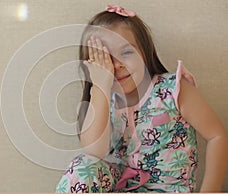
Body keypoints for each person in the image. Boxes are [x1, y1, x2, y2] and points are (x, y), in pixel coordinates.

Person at [56, 5, 227, 193]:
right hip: (122, 186)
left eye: (126, 53)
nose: (117, 65)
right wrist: (100, 87)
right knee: (82, 165)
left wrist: (210, 190)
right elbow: (94, 152)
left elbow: (216, 136)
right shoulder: (104, 101)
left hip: (169, 190)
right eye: (105, 59)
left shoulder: (173, 89)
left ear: (144, 53)